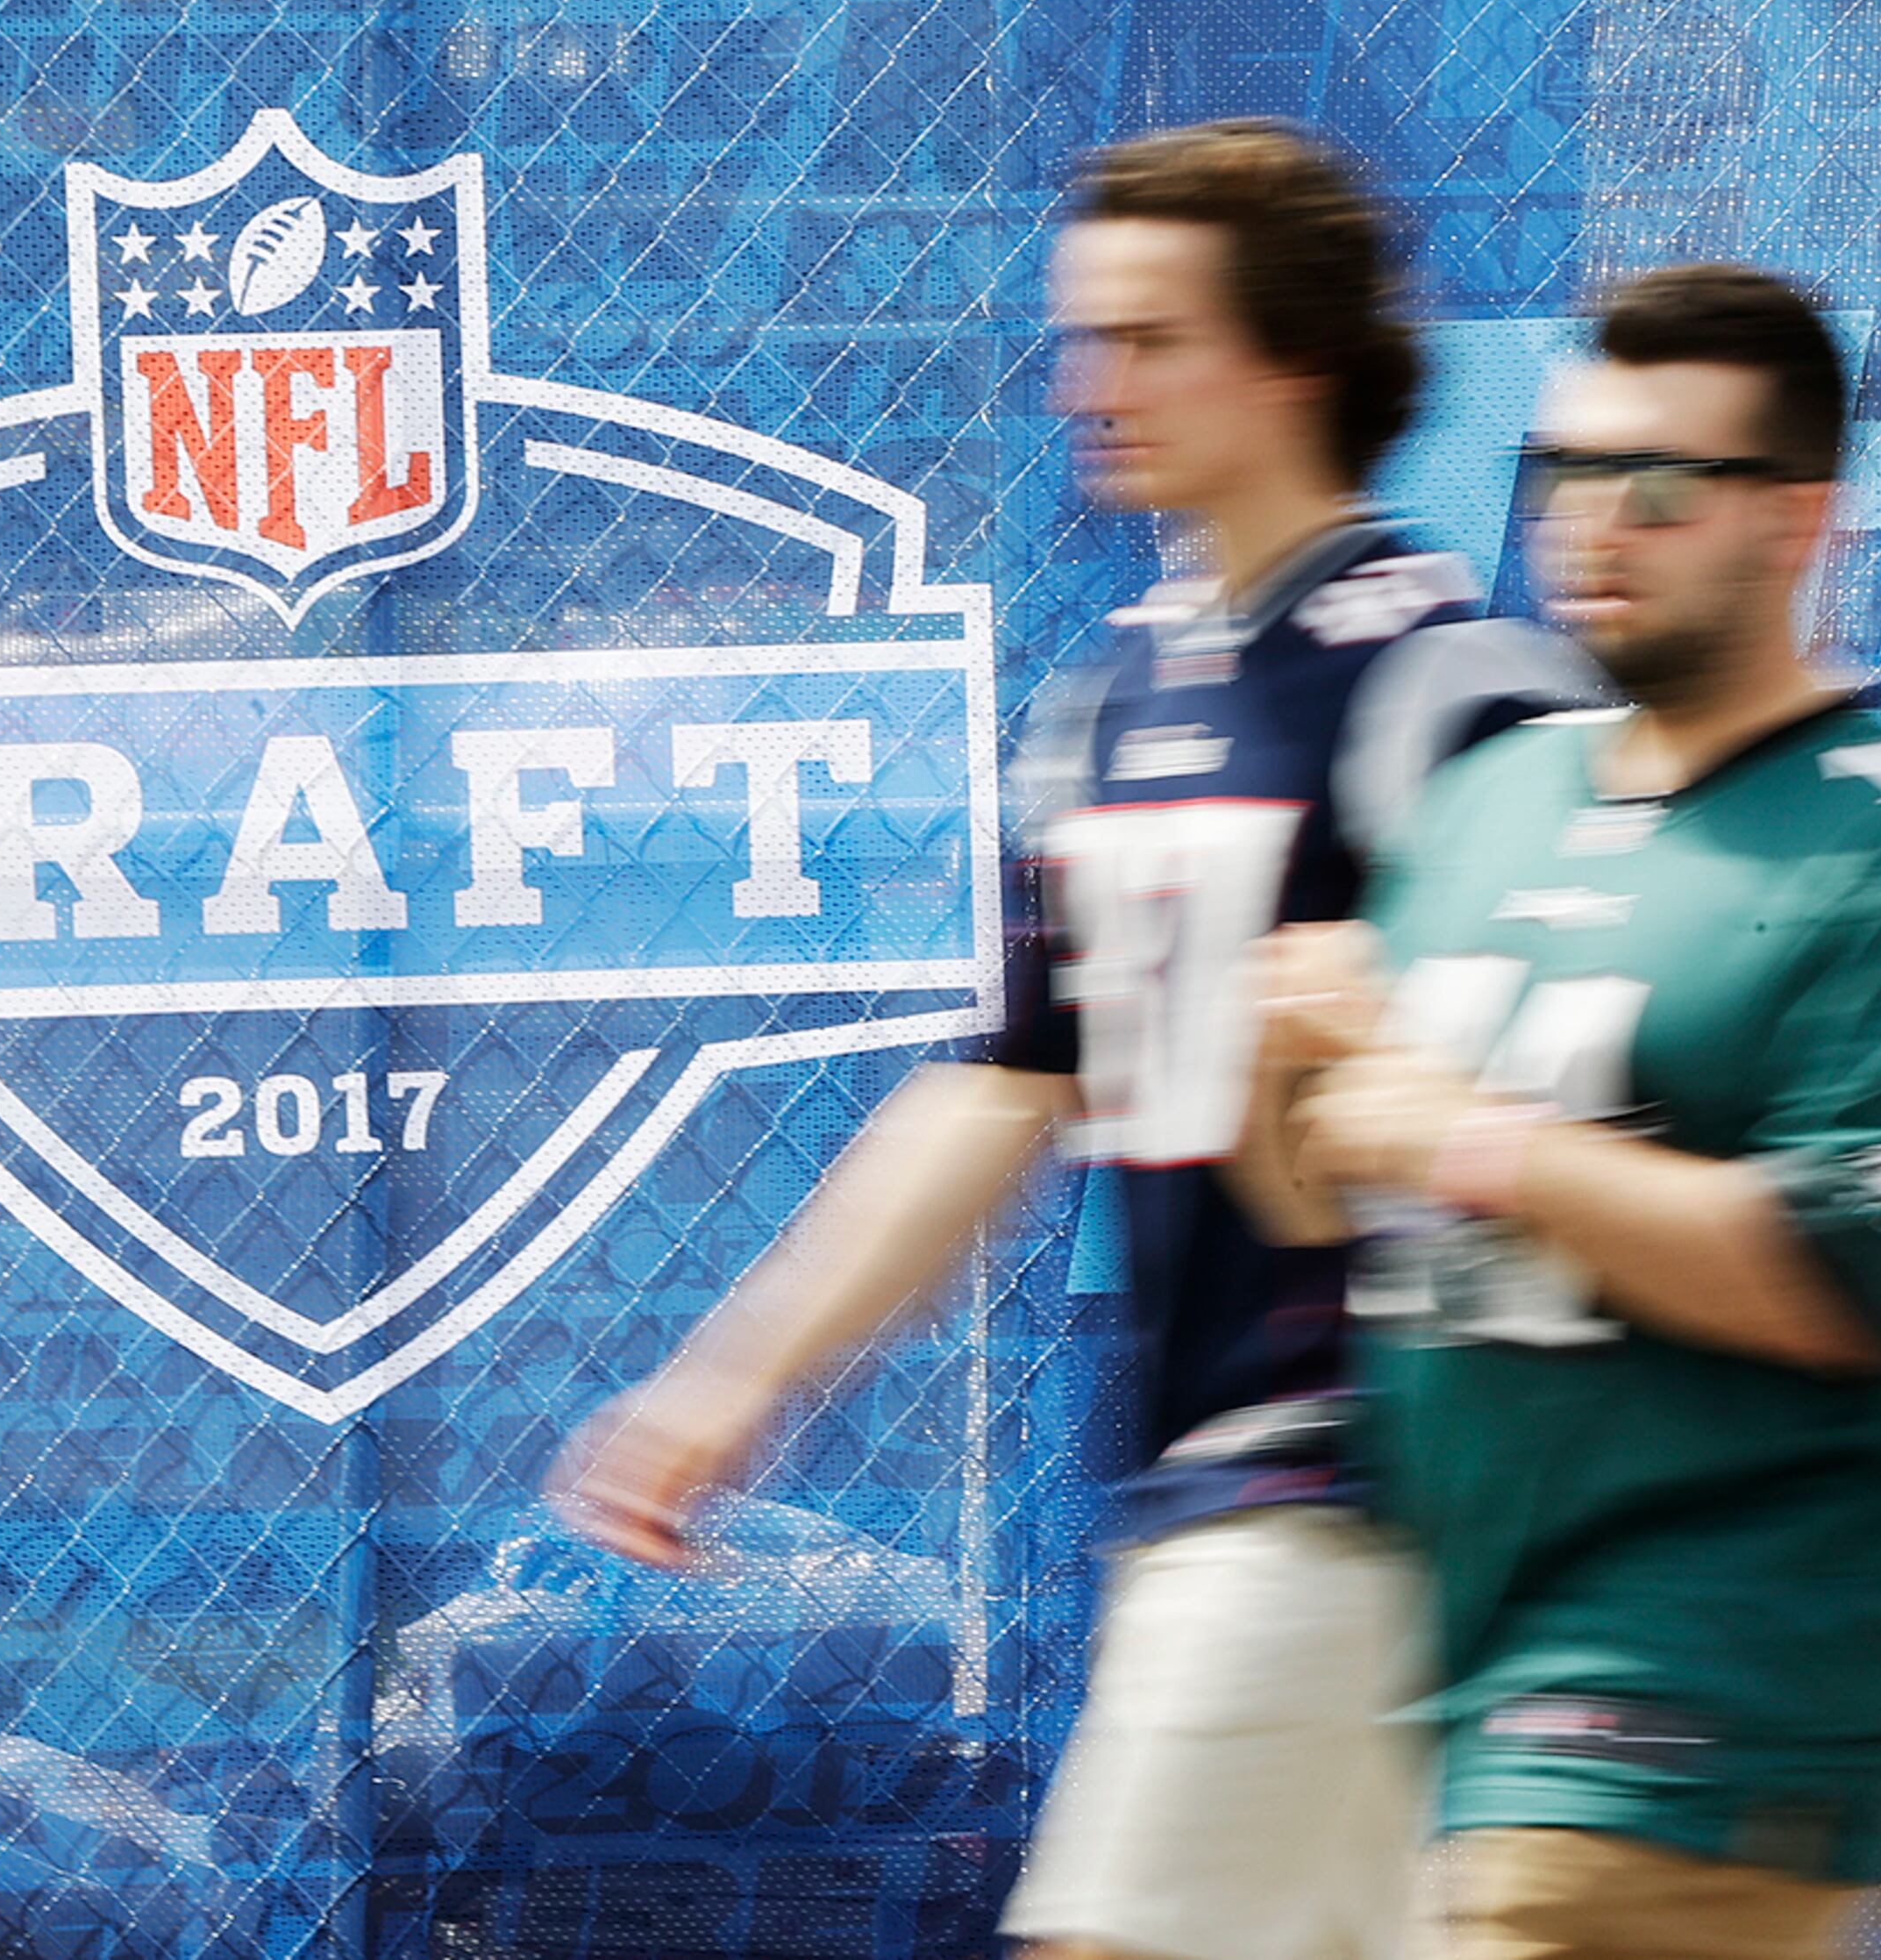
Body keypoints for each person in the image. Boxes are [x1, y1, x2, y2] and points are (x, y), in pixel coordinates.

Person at [549, 117, 1600, 1960]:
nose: (1085, 383)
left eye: (1146, 339)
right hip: (1231, 1498)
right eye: (1079, 336)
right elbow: (1002, 1083)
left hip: (1366, 1480)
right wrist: (741, 1373)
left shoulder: (1453, 685)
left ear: (1296, 363)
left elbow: (1582, 1091)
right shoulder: (1114, 703)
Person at [1261, 262, 1881, 1960]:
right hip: (1472, 1662)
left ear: (1800, 520)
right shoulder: (1492, 799)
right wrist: (1288, 1058)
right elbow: (1328, 1193)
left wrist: (1462, 1134)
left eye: (1660, 485)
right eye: (1566, 476)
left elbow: (1845, 1277)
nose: (1597, 522)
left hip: (1716, 1676)